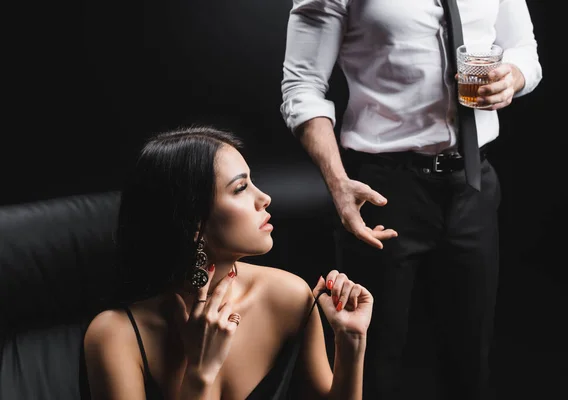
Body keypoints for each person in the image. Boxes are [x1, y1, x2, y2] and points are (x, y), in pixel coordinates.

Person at [280, 1, 542, 399]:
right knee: (371, 357)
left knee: (469, 359)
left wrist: (516, 76)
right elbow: (302, 86)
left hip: (473, 183)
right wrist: (338, 182)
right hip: (383, 191)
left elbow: (523, 47)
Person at [82, 125, 374, 400]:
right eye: (240, 188)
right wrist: (199, 373)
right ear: (194, 222)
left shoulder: (288, 297)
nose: (264, 198)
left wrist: (351, 341)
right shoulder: (115, 336)